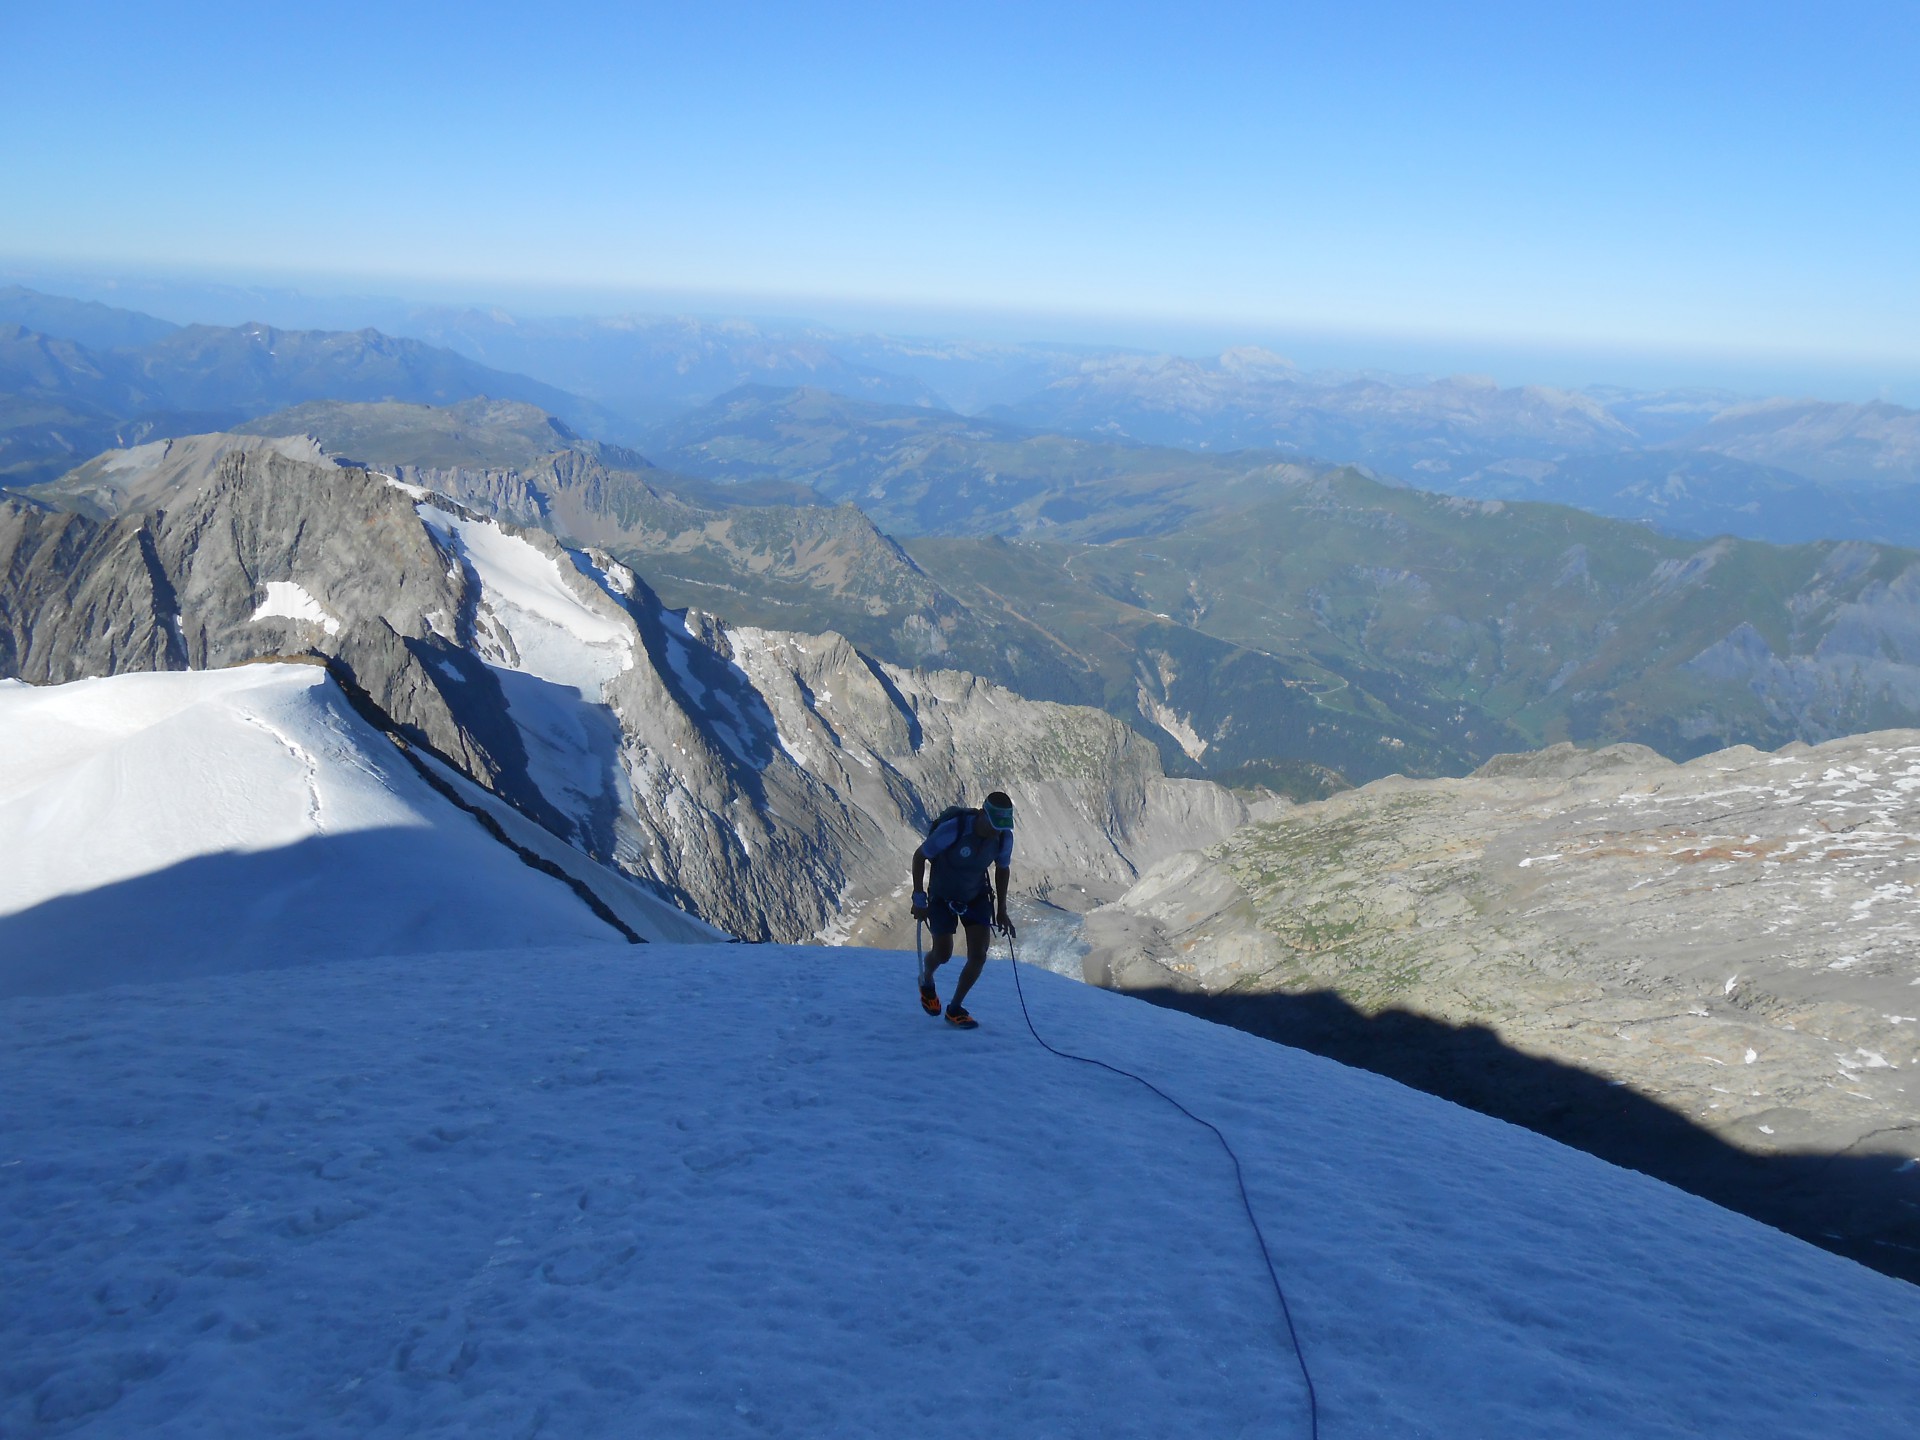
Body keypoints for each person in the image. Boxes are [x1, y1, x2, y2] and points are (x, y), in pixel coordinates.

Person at [911, 791, 1017, 1029]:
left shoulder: (1003, 838)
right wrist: (919, 897)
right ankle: (926, 980)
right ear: (982, 814)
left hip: (976, 895)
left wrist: (1002, 910)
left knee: (978, 955)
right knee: (943, 953)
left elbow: (1003, 869)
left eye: (1001, 826)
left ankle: (955, 1008)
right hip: (942, 895)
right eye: (993, 824)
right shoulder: (955, 829)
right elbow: (920, 856)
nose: (997, 831)